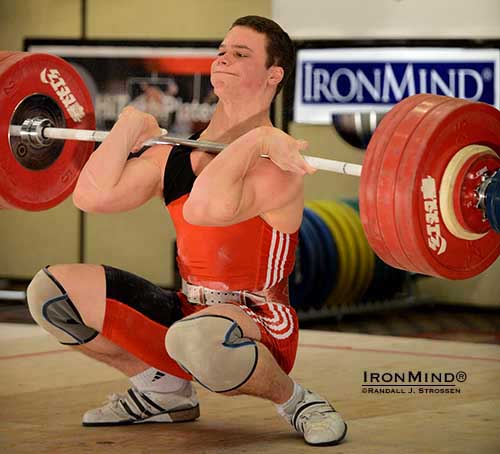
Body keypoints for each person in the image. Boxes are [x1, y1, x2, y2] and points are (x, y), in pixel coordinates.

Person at [26, 15, 347, 447]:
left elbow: (204, 208)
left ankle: (299, 402)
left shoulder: (281, 167)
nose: (223, 59)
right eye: (221, 51)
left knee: (194, 338)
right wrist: (127, 128)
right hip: (187, 311)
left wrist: (257, 140)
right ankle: (162, 390)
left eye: (240, 54)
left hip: (258, 323)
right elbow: (91, 197)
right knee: (50, 293)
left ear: (274, 74)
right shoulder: (178, 155)